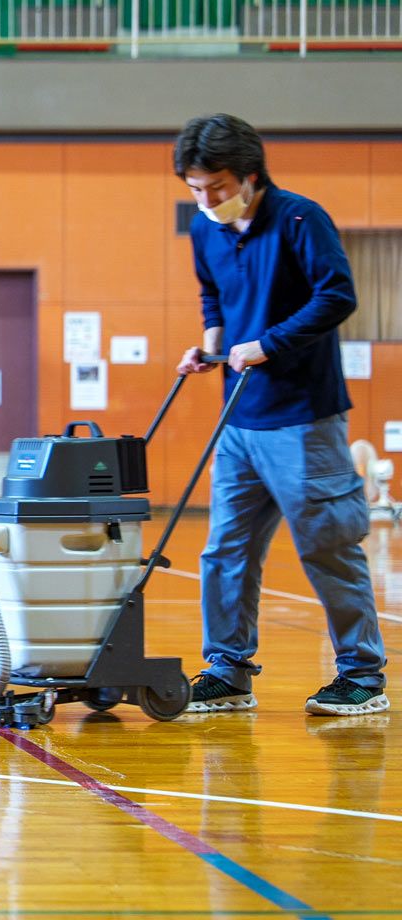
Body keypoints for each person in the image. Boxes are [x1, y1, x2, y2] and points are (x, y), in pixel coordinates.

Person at [173, 113, 388, 717]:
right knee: (225, 552)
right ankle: (228, 670)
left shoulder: (300, 218)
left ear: (248, 175)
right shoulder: (205, 231)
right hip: (239, 422)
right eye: (195, 189)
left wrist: (266, 344)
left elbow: (337, 295)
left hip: (304, 421)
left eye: (215, 187)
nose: (206, 200)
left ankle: (362, 675)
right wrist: (211, 347)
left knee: (327, 544)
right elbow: (213, 294)